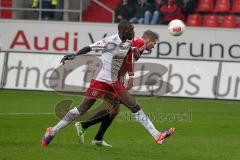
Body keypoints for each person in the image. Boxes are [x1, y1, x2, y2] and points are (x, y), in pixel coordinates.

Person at [41, 20, 174, 147]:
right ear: (123, 31)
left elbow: (130, 54)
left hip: (115, 82)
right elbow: (90, 47)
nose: (134, 32)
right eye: (131, 30)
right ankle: (52, 131)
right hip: (101, 80)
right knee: (82, 109)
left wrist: (132, 74)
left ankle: (157, 134)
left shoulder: (129, 41)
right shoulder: (110, 41)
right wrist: (74, 54)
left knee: (133, 106)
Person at [74, 30, 163, 147]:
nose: (154, 46)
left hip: (116, 80)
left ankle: (97, 138)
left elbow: (128, 57)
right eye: (154, 43)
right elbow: (130, 54)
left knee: (114, 111)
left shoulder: (139, 47)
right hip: (112, 81)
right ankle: (156, 134)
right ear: (148, 40)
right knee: (131, 107)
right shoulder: (139, 42)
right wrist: (131, 75)